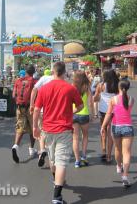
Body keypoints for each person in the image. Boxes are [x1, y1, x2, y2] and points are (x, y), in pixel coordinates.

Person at [33, 62, 83, 204]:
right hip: (64, 129)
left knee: (53, 159)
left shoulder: (44, 89)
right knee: (61, 162)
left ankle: (56, 180)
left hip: (47, 129)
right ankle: (56, 196)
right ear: (64, 72)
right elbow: (80, 106)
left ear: (54, 72)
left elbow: (37, 110)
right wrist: (71, 112)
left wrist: (35, 127)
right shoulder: (70, 88)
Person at [101, 79, 134, 187]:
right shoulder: (131, 100)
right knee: (127, 152)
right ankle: (125, 176)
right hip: (128, 127)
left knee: (117, 149)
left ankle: (119, 166)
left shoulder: (113, 99)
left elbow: (108, 114)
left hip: (116, 127)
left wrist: (103, 126)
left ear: (119, 87)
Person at [11, 65, 37, 163]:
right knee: (33, 127)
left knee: (20, 127)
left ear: (25, 72)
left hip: (20, 108)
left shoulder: (18, 81)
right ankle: (31, 148)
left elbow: (14, 95)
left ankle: (16, 146)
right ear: (33, 72)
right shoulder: (34, 82)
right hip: (30, 108)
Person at [94, 69, 119, 163]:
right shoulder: (117, 86)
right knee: (110, 132)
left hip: (103, 110)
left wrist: (97, 97)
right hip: (113, 111)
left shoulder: (101, 85)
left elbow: (95, 98)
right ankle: (109, 156)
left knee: (103, 129)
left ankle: (103, 151)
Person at [30, 69, 53, 167]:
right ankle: (52, 154)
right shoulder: (57, 79)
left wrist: (32, 104)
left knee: (41, 131)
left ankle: (42, 150)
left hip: (42, 109)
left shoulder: (43, 79)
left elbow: (34, 89)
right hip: (54, 111)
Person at [72, 70, 94, 168]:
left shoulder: (72, 87)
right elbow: (90, 103)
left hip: (74, 113)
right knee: (85, 136)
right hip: (84, 114)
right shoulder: (87, 88)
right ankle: (84, 156)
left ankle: (77, 160)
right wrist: (92, 114)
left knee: (75, 138)